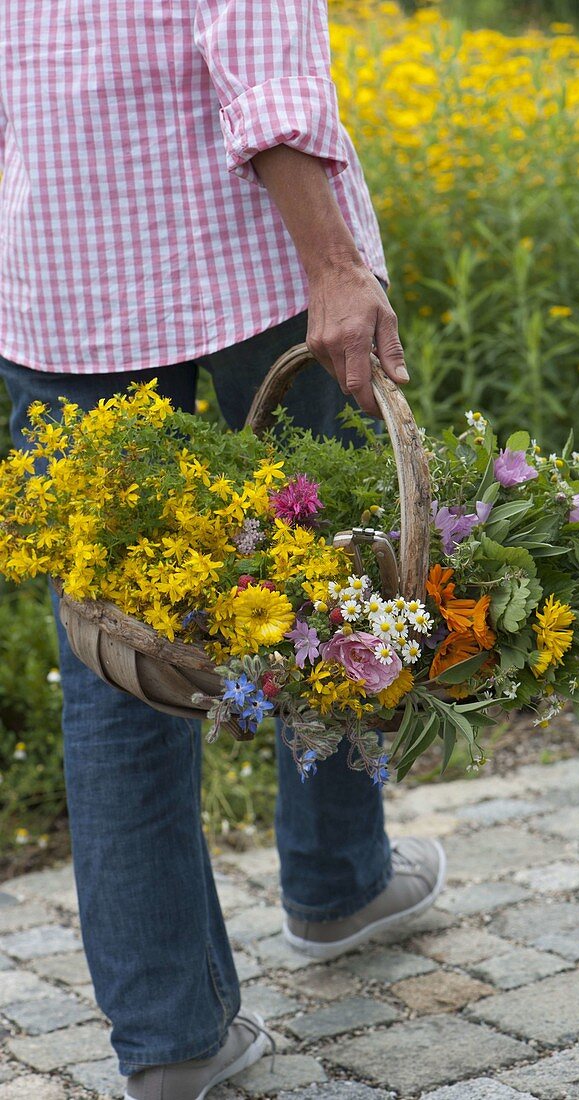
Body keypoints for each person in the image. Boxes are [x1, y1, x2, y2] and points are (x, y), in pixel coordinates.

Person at [0, 3, 446, 1098]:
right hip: (254, 271)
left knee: (117, 659)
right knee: (337, 583)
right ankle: (336, 885)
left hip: (60, 283)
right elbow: (258, 53)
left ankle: (174, 1035)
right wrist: (338, 263)